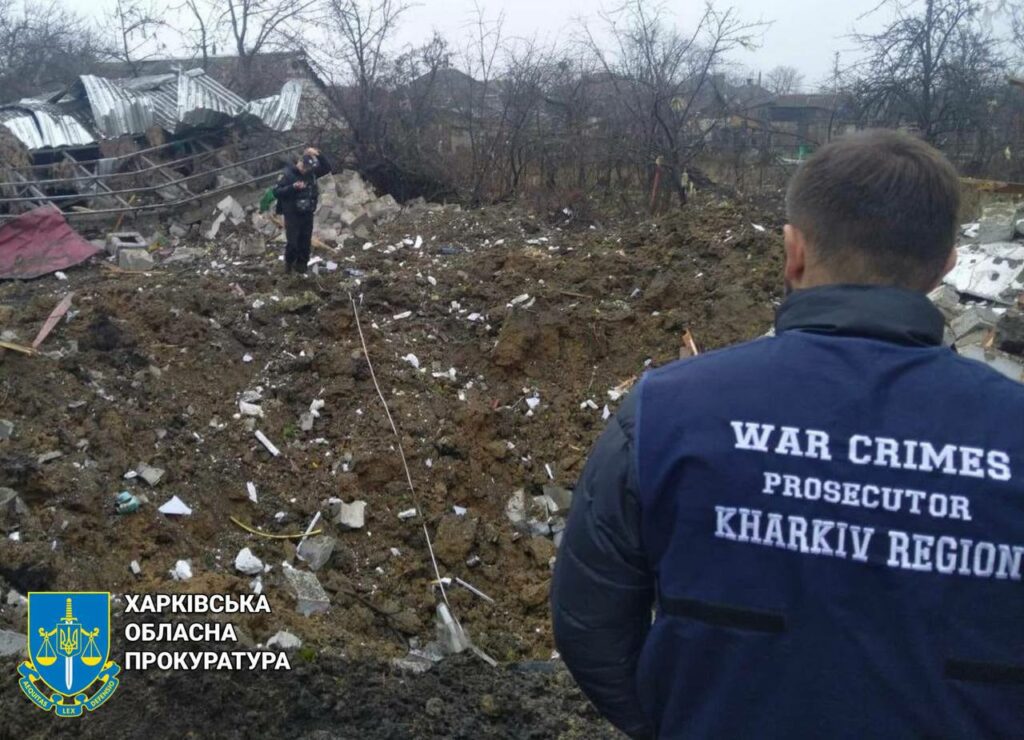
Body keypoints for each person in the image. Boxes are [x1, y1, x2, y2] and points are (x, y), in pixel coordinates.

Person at [550, 130, 1024, 738]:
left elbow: (588, 624)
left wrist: (674, 721)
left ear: (793, 251)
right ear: (946, 265)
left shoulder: (664, 412)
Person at [273, 146, 332, 273]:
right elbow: (276, 192)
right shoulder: (287, 174)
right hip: (292, 213)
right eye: (304, 167)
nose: (305, 170)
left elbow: (327, 168)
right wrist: (293, 187)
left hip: (307, 211)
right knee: (293, 242)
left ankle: (301, 267)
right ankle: (288, 265)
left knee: (305, 241)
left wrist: (318, 154)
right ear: (299, 162)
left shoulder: (311, 174)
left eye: (308, 168)